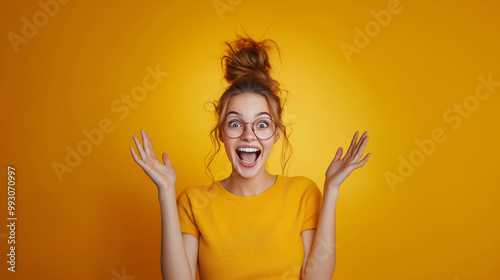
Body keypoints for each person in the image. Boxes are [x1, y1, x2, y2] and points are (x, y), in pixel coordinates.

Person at [129, 34, 371, 280]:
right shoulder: (193, 203)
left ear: (276, 134)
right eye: (235, 123)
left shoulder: (304, 194)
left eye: (262, 124)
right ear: (221, 133)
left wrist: (332, 190)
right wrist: (166, 192)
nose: (248, 135)